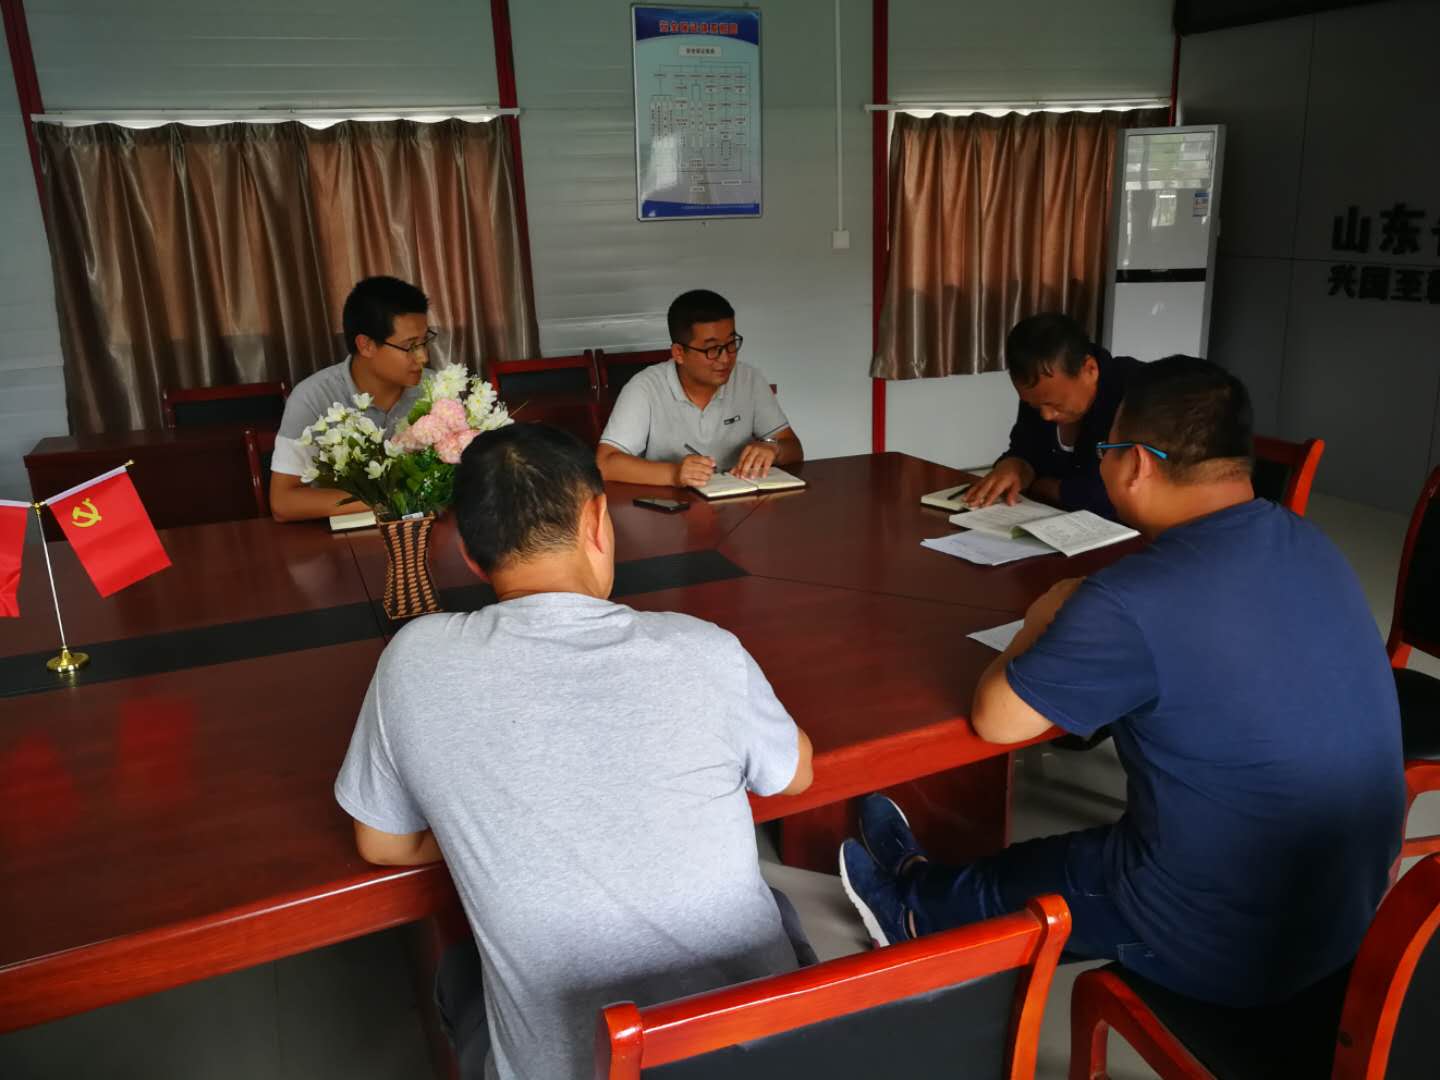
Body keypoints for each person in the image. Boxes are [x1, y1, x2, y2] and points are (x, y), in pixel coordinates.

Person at [841, 357, 1404, 1021]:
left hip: (1233, 942)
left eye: (1106, 451)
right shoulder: (1307, 540)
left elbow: (997, 720)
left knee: (1045, 874)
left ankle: (910, 909)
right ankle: (927, 883)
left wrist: (1043, 616)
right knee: (1073, 854)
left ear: (1135, 464)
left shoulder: (1131, 599)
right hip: (1352, 910)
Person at [334, 422, 815, 1080]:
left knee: (459, 969)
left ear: (471, 557)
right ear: (597, 521)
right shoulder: (703, 649)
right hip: (766, 1055)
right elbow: (794, 775)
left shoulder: (412, 661)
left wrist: (511, 822)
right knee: (776, 910)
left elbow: (382, 843)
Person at [596, 289, 803, 488]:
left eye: (731, 344)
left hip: (740, 503)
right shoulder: (644, 388)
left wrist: (774, 449)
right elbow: (605, 463)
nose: (725, 358)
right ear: (679, 353)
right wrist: (674, 474)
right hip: (673, 505)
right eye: (712, 349)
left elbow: (794, 448)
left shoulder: (748, 379)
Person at [270, 275, 434, 521]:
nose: (423, 357)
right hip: (342, 538)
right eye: (410, 346)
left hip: (424, 533)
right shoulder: (313, 398)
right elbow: (284, 502)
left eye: (424, 341)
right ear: (366, 345)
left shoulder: (436, 389)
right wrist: (393, 501)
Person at [965, 312, 1143, 518]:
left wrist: (1051, 489)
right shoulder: (1040, 391)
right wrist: (1015, 465)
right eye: (1033, 404)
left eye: (1055, 404)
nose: (1046, 416)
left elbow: (1127, 492)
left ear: (1090, 369)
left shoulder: (1140, 393)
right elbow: (1025, 449)